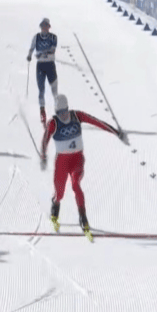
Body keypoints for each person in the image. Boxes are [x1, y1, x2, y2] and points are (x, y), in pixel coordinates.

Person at [39, 95, 128, 238]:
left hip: (77, 159)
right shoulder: (53, 123)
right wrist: (43, 155)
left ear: (68, 108)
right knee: (60, 193)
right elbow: (45, 140)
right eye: (60, 113)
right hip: (62, 162)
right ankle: (55, 205)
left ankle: (83, 217)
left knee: (76, 185)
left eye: (64, 111)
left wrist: (116, 132)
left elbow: (97, 122)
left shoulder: (77, 116)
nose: (63, 115)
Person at [27, 18, 59, 125]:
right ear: (41, 27)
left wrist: (41, 53)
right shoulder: (36, 37)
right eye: (43, 26)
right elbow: (32, 48)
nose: (44, 28)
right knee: (41, 89)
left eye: (46, 26)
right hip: (40, 66)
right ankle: (42, 111)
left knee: (54, 90)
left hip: (50, 65)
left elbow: (52, 50)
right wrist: (29, 55)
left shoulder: (53, 37)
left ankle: (58, 111)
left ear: (49, 27)